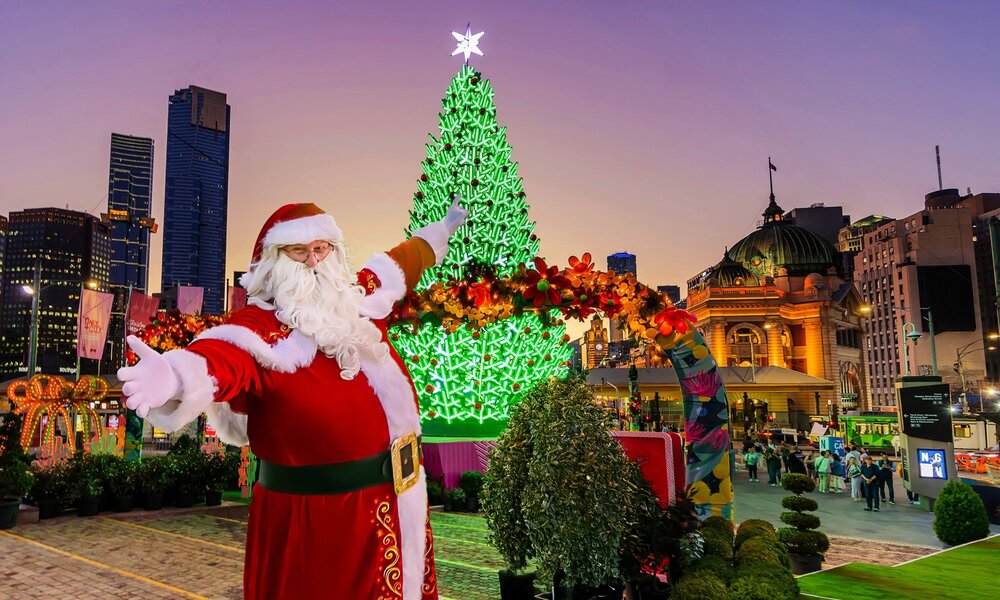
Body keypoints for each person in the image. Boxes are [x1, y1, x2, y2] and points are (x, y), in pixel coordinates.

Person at [119, 199, 468, 599]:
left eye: (322, 248)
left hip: (397, 503)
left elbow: (402, 262)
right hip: (321, 525)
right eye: (299, 251)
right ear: (274, 260)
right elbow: (220, 358)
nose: (314, 261)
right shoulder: (258, 328)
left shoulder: (354, 303)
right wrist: (174, 375)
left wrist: (440, 231)